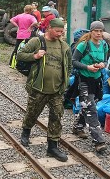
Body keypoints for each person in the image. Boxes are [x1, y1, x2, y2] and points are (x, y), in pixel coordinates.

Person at [18, 18, 73, 162]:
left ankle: (52, 146)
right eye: (57, 31)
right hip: (39, 88)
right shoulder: (37, 41)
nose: (60, 34)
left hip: (57, 90)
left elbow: (69, 65)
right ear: (49, 28)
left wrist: (65, 82)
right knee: (32, 112)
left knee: (56, 116)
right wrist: (34, 56)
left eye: (62, 31)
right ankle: (26, 131)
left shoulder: (64, 46)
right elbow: (20, 55)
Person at [70, 21, 110, 153]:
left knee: (88, 105)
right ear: (91, 32)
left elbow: (105, 60)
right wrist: (87, 67)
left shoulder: (104, 44)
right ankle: (99, 141)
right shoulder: (84, 45)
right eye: (96, 31)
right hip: (84, 81)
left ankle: (78, 126)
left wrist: (103, 64)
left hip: (97, 81)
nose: (98, 33)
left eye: (100, 31)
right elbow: (74, 61)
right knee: (91, 108)